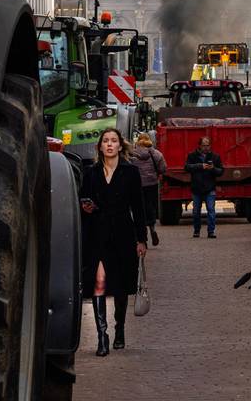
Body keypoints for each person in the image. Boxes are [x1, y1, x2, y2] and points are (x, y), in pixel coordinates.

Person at [80, 128, 148, 356]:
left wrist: (141, 239)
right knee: (99, 283)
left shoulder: (130, 173)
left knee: (119, 287)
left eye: (114, 141)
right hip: (97, 233)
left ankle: (120, 329)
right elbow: (83, 201)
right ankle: (102, 336)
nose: (109, 144)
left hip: (123, 233)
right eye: (105, 141)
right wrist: (85, 207)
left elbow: (138, 208)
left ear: (120, 146)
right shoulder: (90, 173)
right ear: (100, 146)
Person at [130, 133, 167, 246]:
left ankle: (143, 237)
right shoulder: (156, 153)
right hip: (152, 184)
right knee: (150, 206)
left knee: (139, 208)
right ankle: (152, 229)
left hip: (137, 185)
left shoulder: (132, 154)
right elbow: (163, 168)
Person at [185, 136, 224, 238]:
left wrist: (213, 168)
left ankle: (211, 231)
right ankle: (196, 230)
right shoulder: (192, 156)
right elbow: (187, 167)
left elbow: (221, 171)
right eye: (204, 145)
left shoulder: (215, 157)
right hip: (196, 188)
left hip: (210, 188)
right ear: (199, 146)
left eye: (208, 145)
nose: (206, 148)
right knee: (196, 211)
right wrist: (200, 166)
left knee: (211, 210)